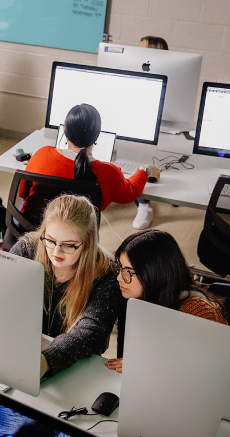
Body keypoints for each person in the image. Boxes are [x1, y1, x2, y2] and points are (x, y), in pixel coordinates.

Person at [9, 194, 121, 378]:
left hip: (73, 366)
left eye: (69, 245)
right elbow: (1, 293)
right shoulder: (27, 248)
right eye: (50, 240)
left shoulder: (106, 275)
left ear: (87, 243)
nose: (56, 251)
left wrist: (46, 361)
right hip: (21, 348)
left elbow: (90, 333)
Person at [105, 229, 227, 373]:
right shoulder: (138, 297)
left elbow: (204, 371)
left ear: (154, 273)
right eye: (119, 268)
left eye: (127, 271)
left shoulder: (198, 312)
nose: (119, 277)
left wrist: (143, 365)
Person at [20, 104, 159, 227]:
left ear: (65, 132)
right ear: (97, 136)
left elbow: (23, 193)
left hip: (26, 229)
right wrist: (145, 171)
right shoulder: (107, 172)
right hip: (72, 242)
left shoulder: (42, 154)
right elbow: (130, 193)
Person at [132, 36, 168, 229]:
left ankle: (144, 204)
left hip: (157, 127)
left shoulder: (168, 79)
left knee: (142, 155)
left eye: (143, 51)